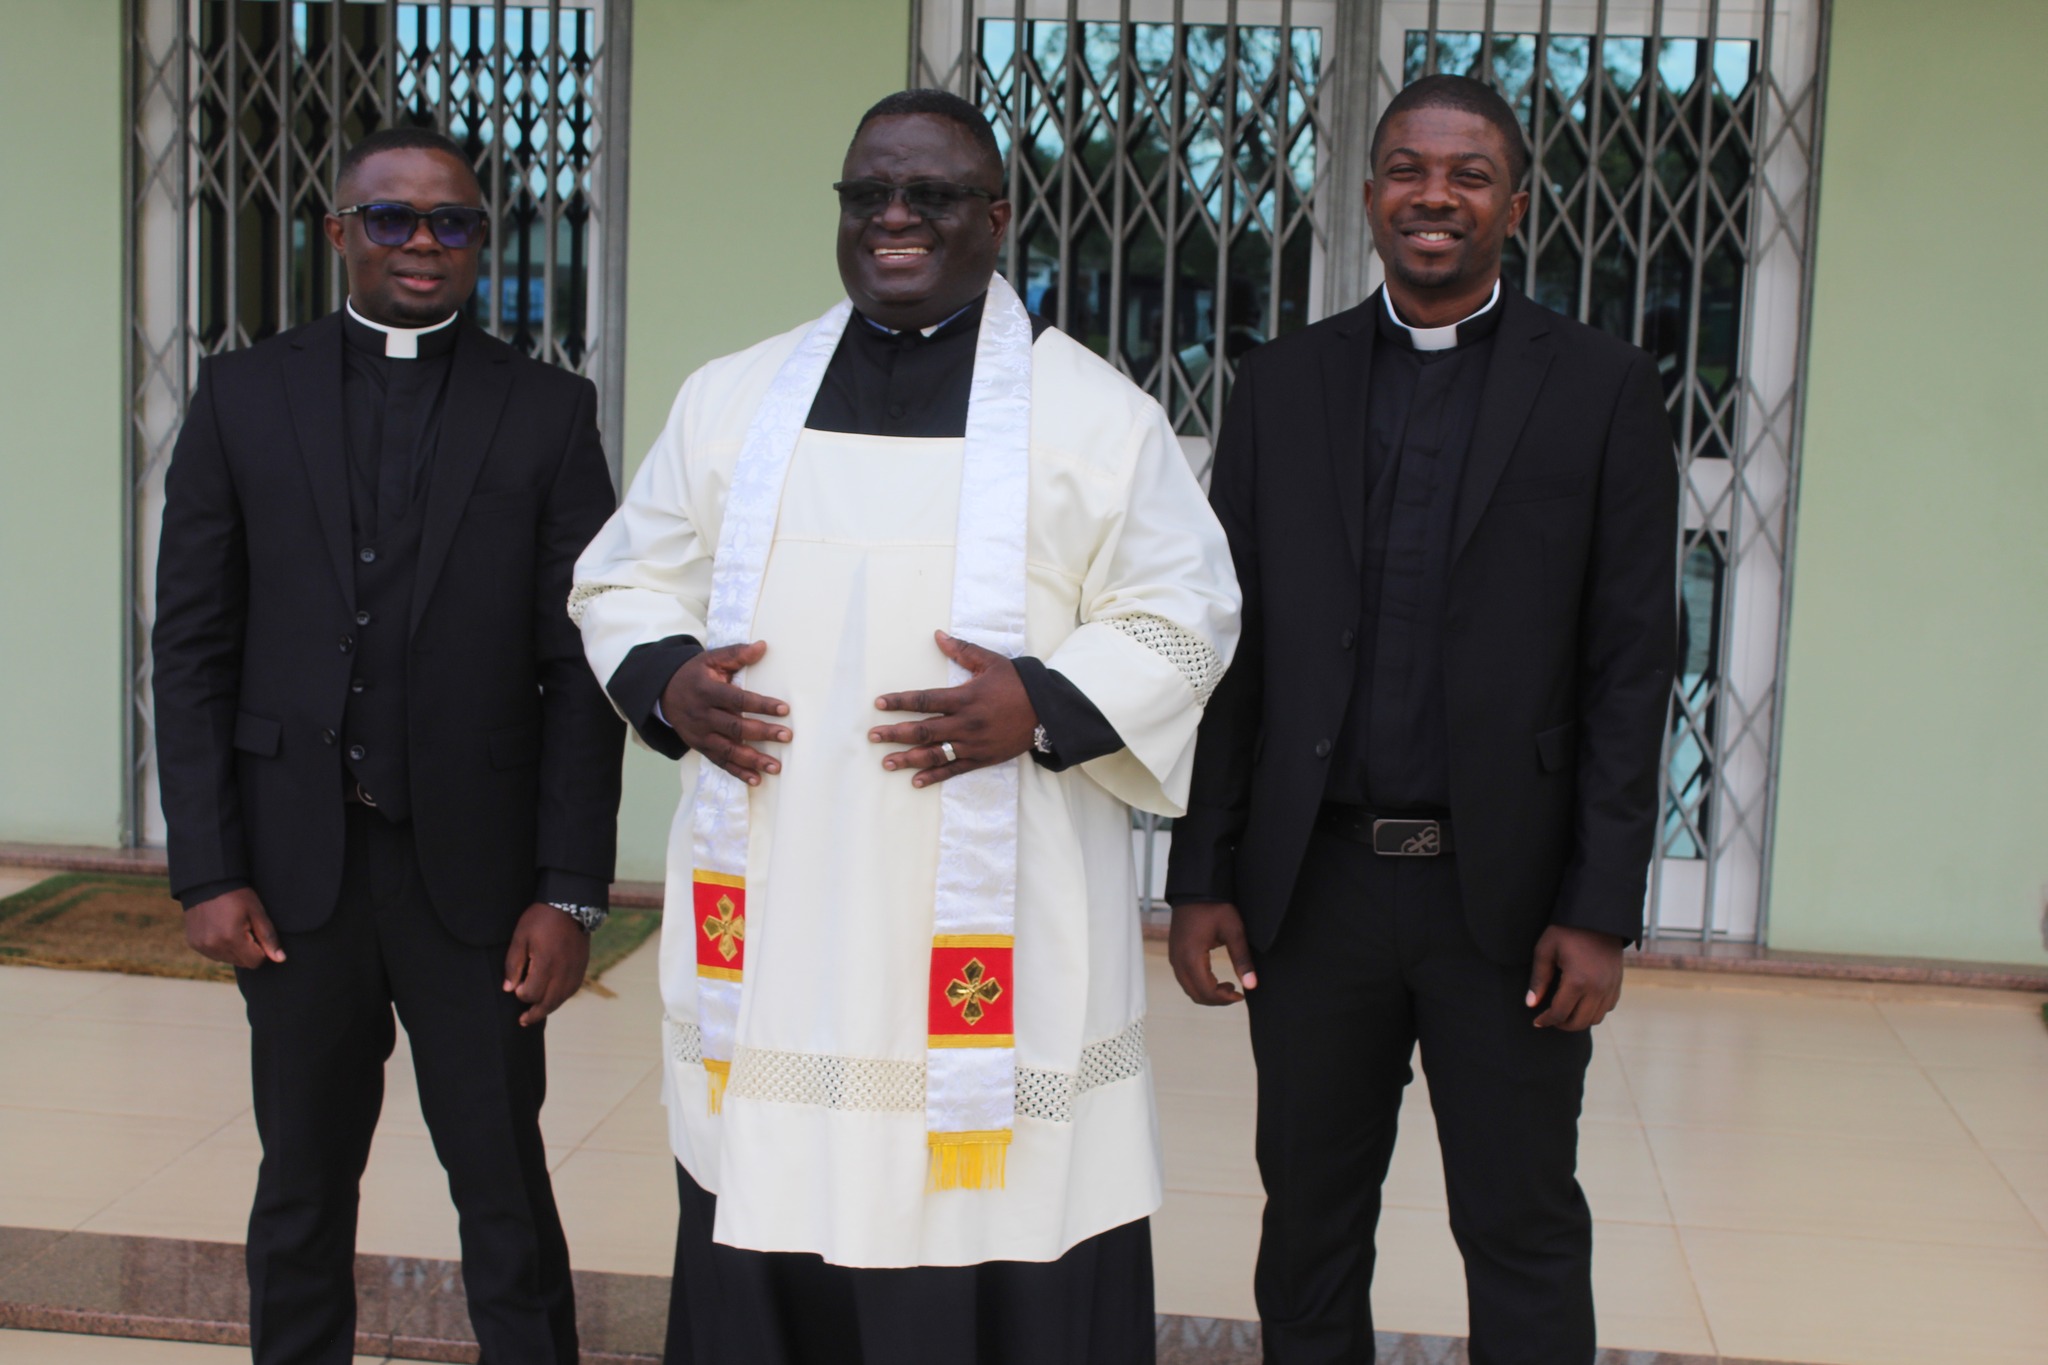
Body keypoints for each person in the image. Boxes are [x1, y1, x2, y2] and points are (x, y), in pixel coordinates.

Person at [571, 89, 1240, 1365]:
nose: (894, 217)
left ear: (993, 217)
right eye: (868, 193)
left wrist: (1039, 702)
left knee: (989, 1198)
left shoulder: (1090, 415)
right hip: (781, 909)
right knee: (772, 1186)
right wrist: (665, 680)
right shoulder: (734, 398)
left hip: (993, 915)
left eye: (929, 196)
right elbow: (619, 577)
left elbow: (1187, 611)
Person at [1165, 74, 1678, 1364]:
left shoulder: (1601, 389)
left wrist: (1599, 906)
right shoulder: (1282, 385)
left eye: (1464, 174)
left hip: (1502, 905)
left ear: (1514, 200)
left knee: (1518, 1225)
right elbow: (1234, 651)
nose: (1432, 197)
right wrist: (1200, 874)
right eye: (1406, 169)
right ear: (1368, 190)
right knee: (1308, 1223)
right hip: (1316, 888)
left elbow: (1630, 664)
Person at [152, 126, 624, 1365]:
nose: (423, 243)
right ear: (337, 232)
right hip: (293, 880)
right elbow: (191, 649)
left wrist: (570, 891)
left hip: (475, 885)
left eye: (453, 222)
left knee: (504, 1190)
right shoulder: (243, 397)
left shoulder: (547, 412)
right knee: (301, 1188)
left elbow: (581, 669)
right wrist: (205, 868)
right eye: (393, 219)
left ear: (482, 239)